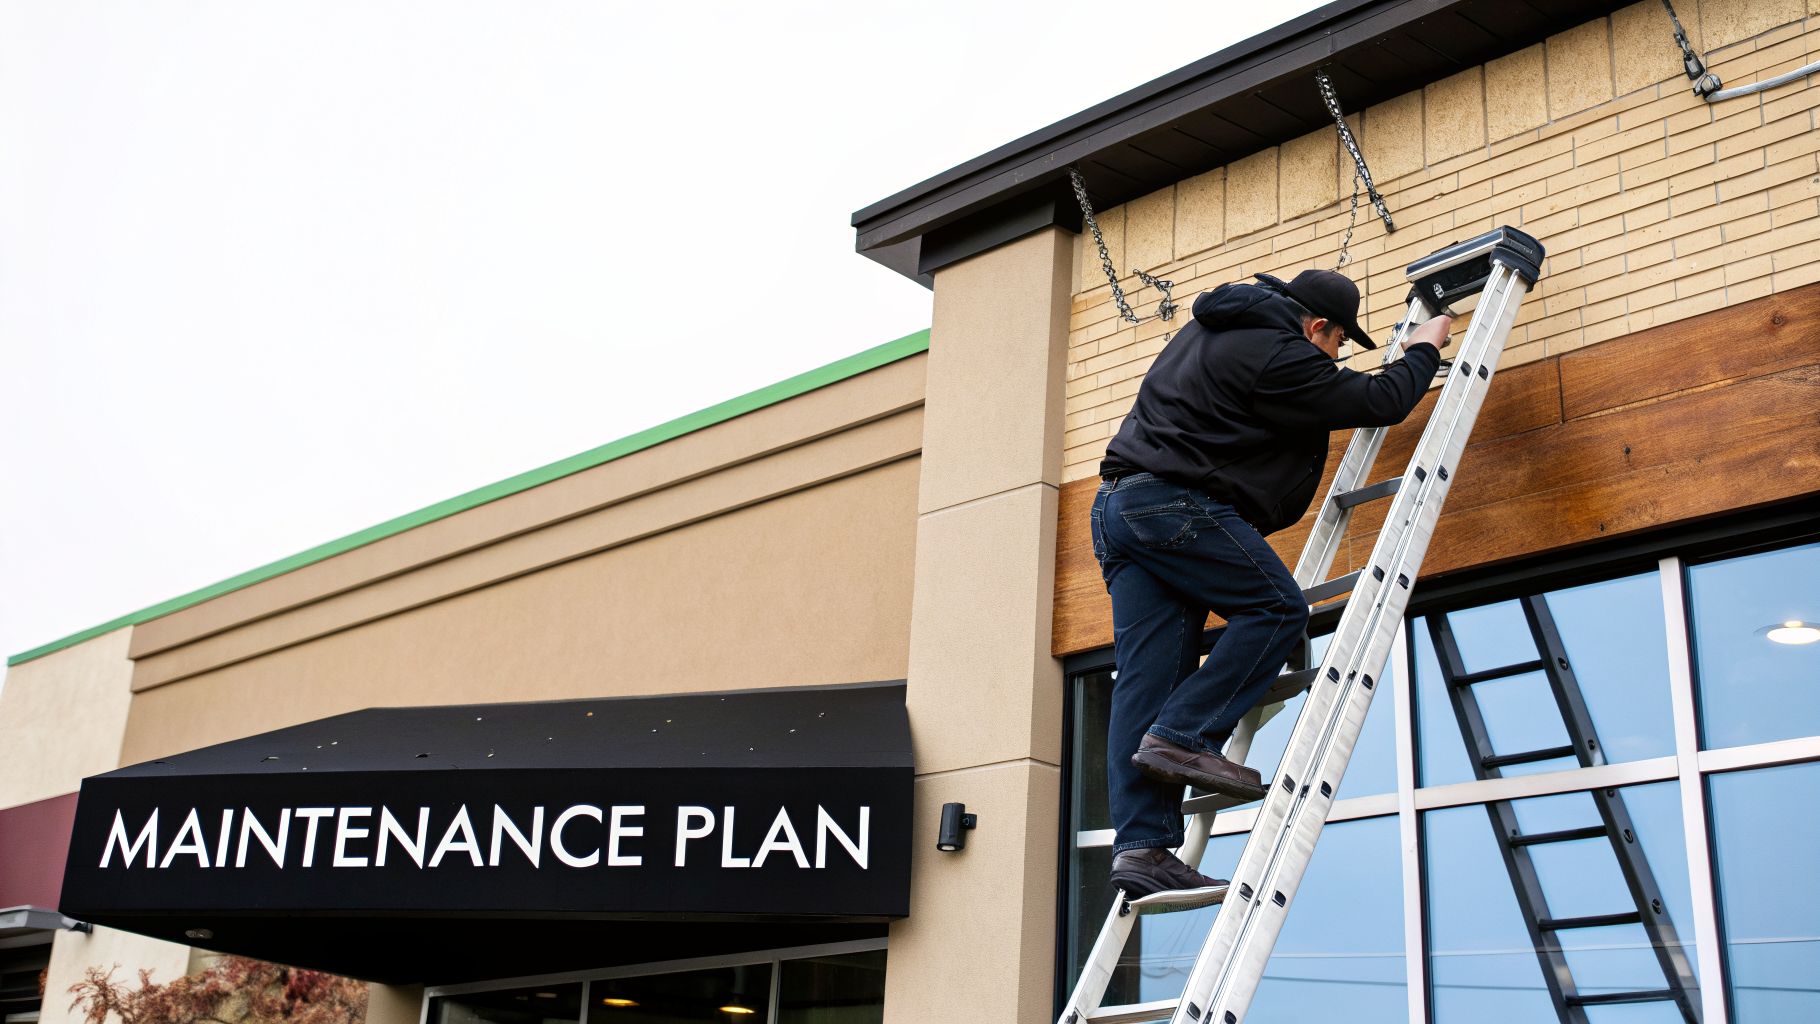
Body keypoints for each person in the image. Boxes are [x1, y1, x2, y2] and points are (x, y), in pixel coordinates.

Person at [1091, 268, 1452, 898]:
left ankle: (1142, 848)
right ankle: (1182, 736)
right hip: (1175, 506)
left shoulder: (1213, 330)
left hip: (1122, 511)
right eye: (1339, 345)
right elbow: (1380, 402)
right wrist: (1425, 346)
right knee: (1277, 611)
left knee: (1147, 678)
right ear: (1318, 326)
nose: (1334, 359)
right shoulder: (1276, 350)